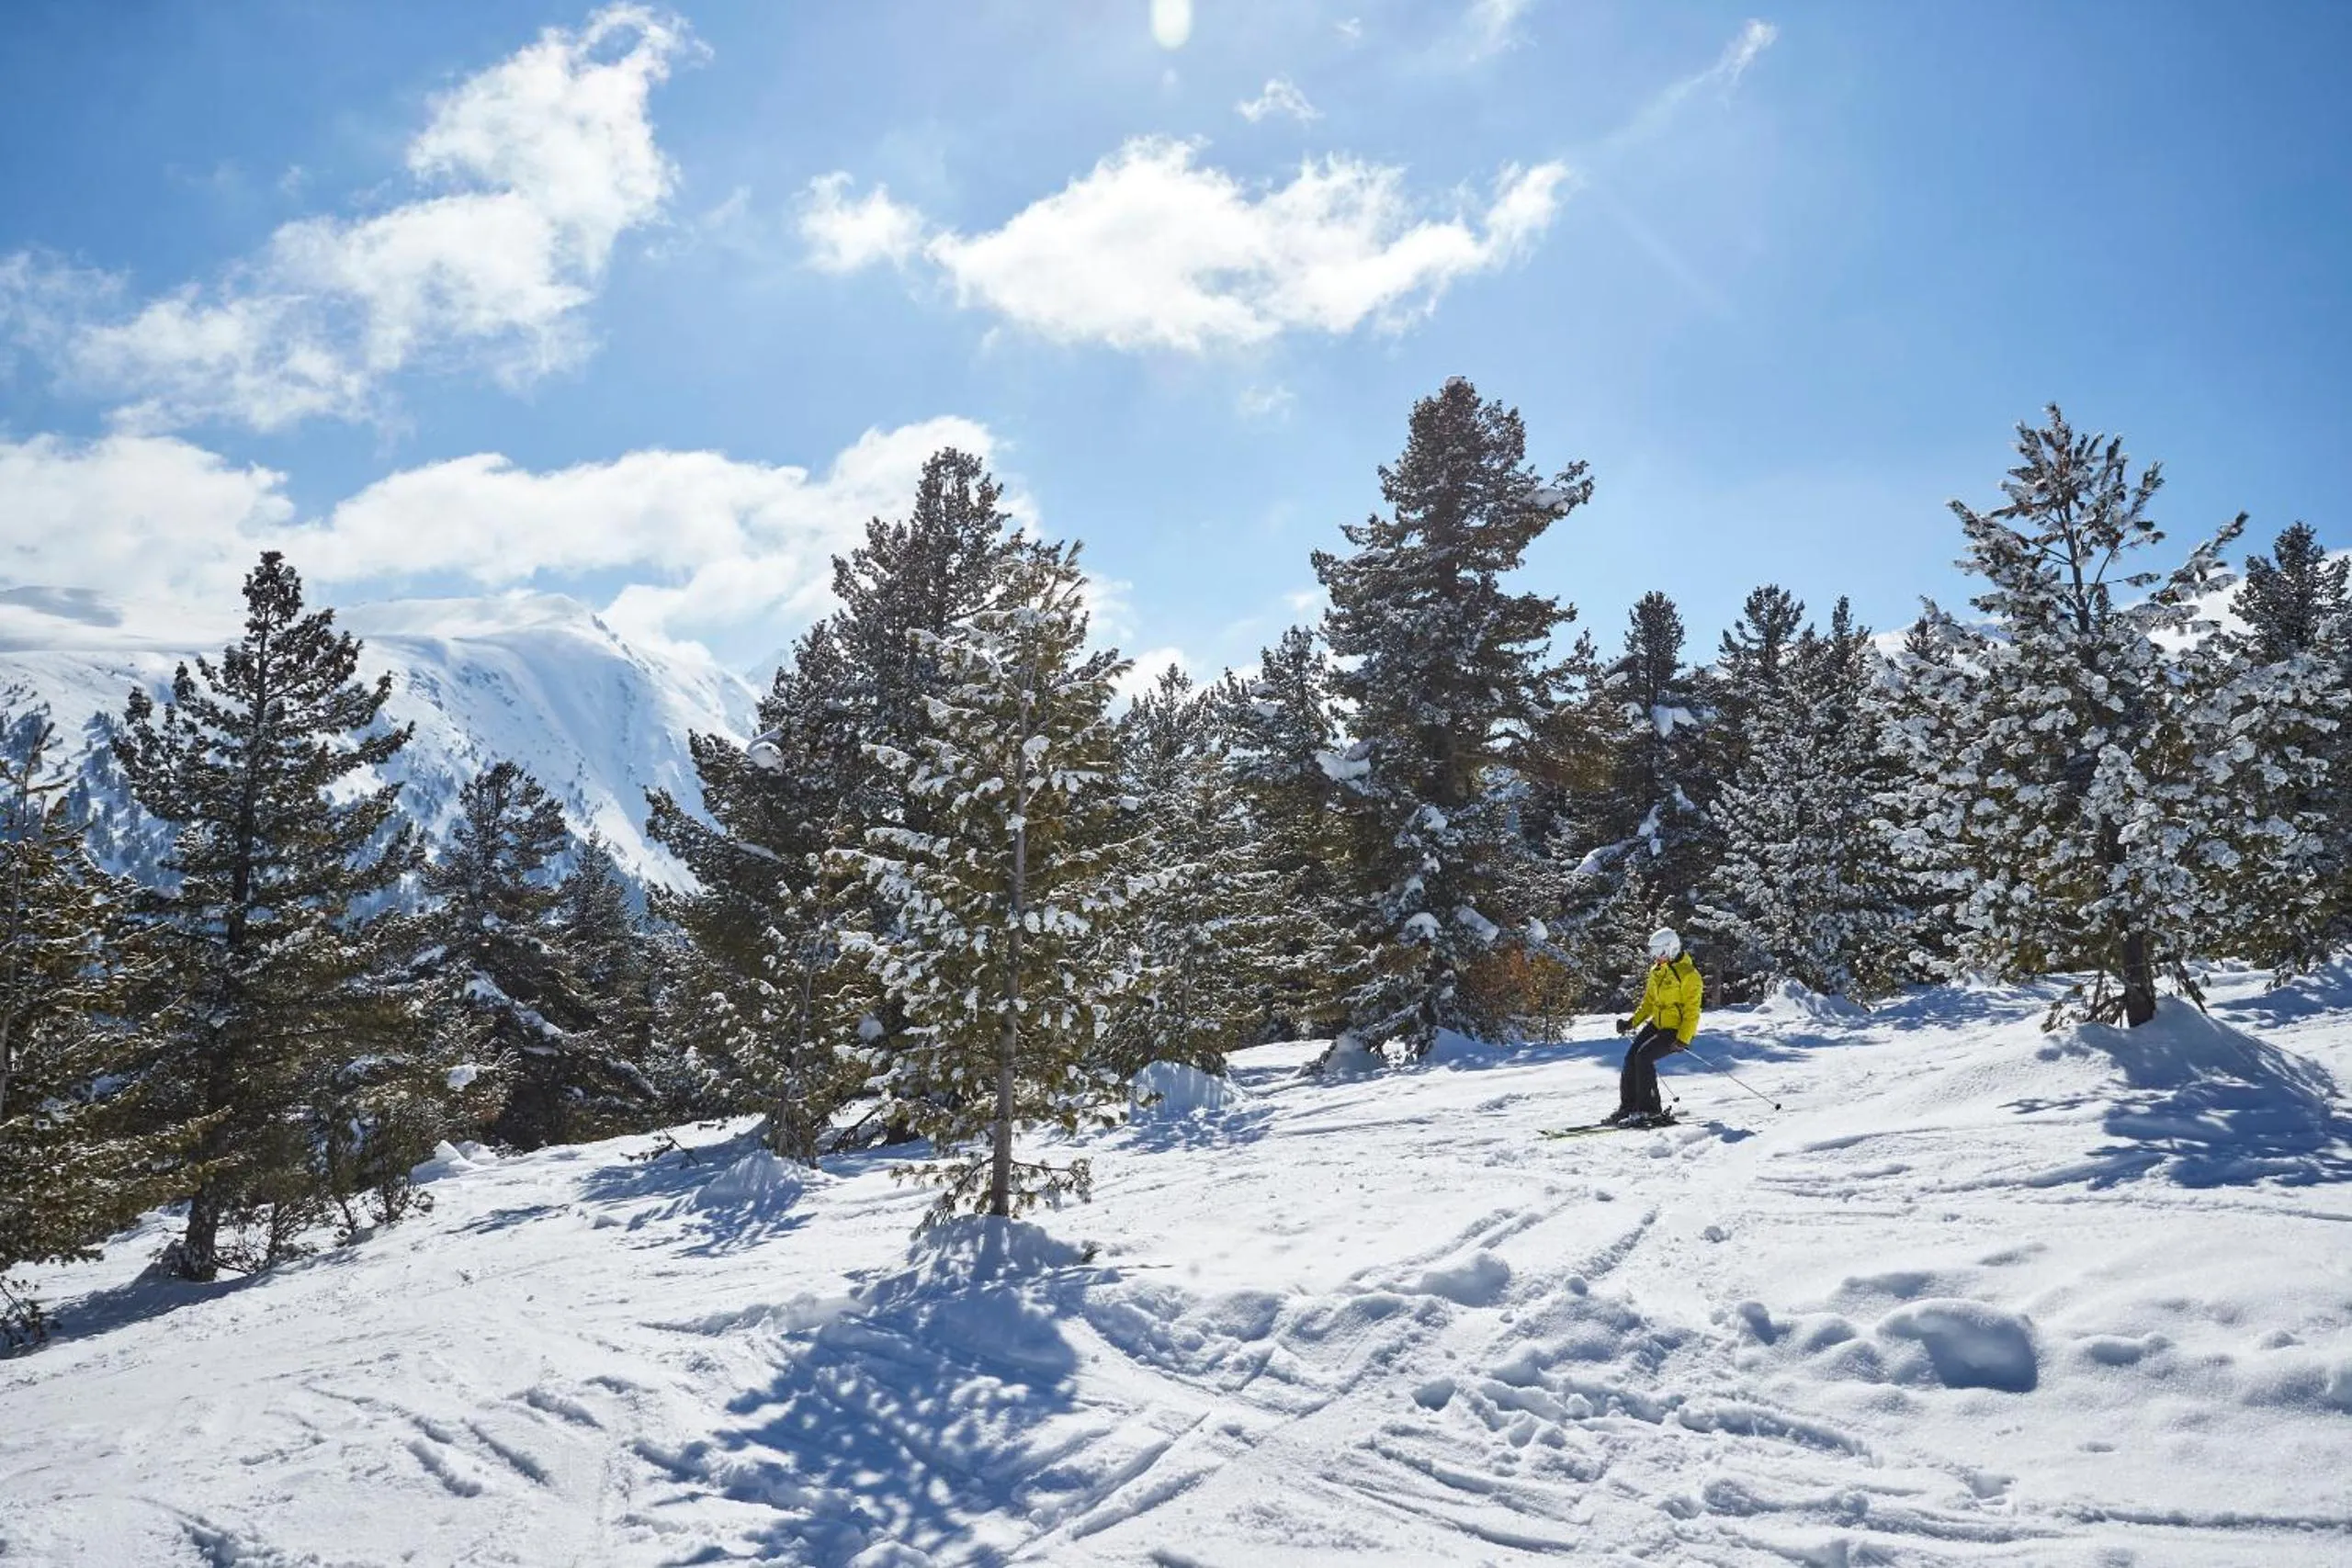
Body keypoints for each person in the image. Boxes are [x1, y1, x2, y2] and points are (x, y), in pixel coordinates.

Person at [1608, 927, 1702, 1127]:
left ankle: (1650, 1110)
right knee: (1631, 1057)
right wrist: (1631, 1023)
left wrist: (1684, 1039)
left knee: (1643, 1057)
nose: (1655, 957)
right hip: (1658, 1024)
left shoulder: (1688, 975)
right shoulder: (1656, 971)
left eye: (1659, 952)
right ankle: (1629, 1106)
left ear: (1671, 949)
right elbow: (1649, 1002)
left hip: (1675, 1030)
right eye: (1653, 952)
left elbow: (1692, 1010)